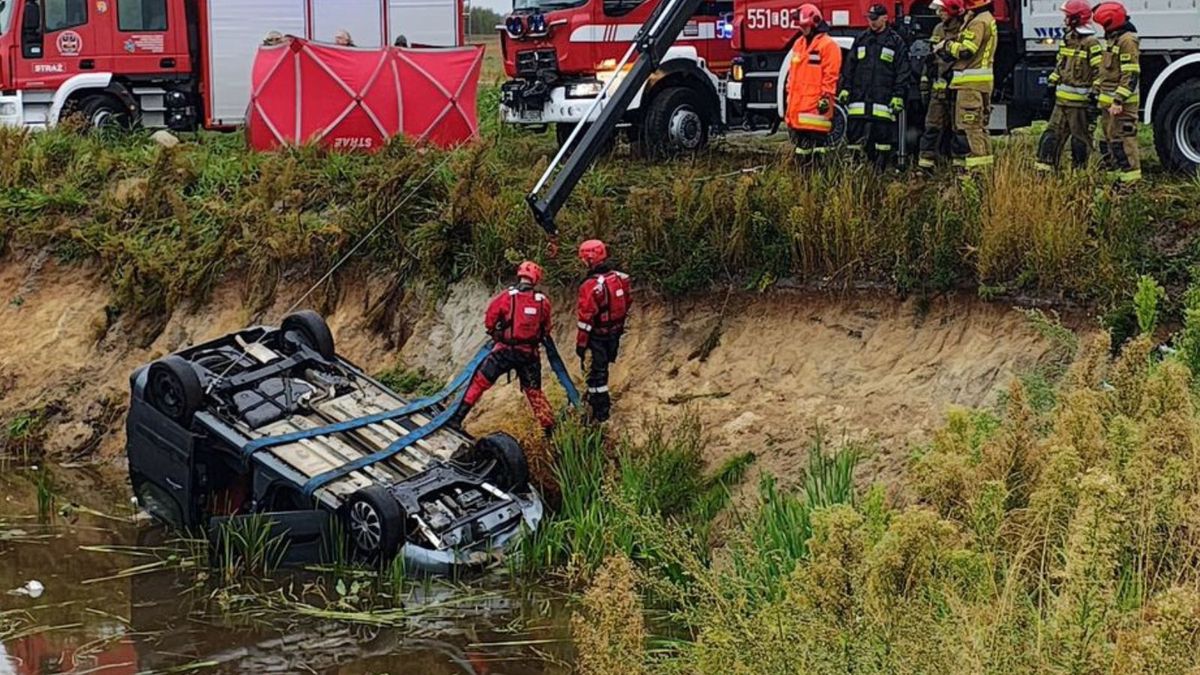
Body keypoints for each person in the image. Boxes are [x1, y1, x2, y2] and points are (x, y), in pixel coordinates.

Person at [449, 261, 556, 434]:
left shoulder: (507, 296)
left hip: (504, 352)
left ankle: (456, 419)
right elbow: (546, 328)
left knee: (479, 382)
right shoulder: (543, 302)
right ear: (536, 278)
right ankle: (550, 431)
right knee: (534, 392)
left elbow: (490, 318)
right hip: (529, 355)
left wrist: (495, 333)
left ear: (519, 275)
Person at [838, 4, 911, 170]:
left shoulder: (895, 42)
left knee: (883, 140)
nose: (872, 22)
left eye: (875, 19)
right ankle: (856, 170)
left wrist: (898, 95)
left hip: (883, 100)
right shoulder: (861, 39)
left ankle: (881, 172)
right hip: (859, 100)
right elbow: (849, 67)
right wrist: (845, 88)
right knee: (854, 137)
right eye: (869, 19)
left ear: (885, 18)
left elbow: (902, 71)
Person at [1035, 0, 1102, 172]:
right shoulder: (1068, 38)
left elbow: (1099, 72)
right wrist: (1050, 87)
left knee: (1079, 141)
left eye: (1067, 16)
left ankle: (1079, 176)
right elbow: (1061, 66)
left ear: (1076, 18)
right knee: (1051, 137)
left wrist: (1095, 96)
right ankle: (1045, 173)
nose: (1064, 19)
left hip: (1079, 105)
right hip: (1061, 102)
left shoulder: (1091, 43)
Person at [575, 240, 631, 423]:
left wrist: (581, 345)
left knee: (596, 376)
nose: (582, 262)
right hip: (615, 333)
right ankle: (599, 405)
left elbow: (586, 318)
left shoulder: (590, 286)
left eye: (584, 259)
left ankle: (600, 412)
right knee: (603, 369)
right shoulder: (620, 278)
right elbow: (627, 303)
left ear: (590, 259)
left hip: (597, 335)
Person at [936, 0, 997, 170]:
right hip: (978, 84)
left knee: (970, 129)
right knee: (979, 128)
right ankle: (984, 170)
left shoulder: (978, 22)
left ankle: (977, 173)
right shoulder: (986, 18)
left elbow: (966, 51)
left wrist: (946, 45)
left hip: (970, 85)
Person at [784, 4, 843, 161]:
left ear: (815, 23)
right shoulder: (799, 44)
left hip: (816, 110)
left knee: (818, 153)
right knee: (801, 153)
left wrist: (825, 97)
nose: (802, 29)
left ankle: (820, 181)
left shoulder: (828, 46)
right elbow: (793, 75)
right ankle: (804, 183)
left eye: (805, 26)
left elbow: (831, 76)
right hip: (799, 110)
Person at [1093, 1, 1141, 183]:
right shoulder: (1113, 39)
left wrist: (1119, 100)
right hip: (1109, 105)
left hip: (1122, 106)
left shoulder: (1127, 41)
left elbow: (1130, 74)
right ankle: (1116, 181)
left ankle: (1130, 184)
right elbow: (1107, 71)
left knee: (1124, 144)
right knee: (1109, 143)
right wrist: (1096, 89)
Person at [918, 0, 965, 171]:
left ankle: (958, 167)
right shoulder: (938, 29)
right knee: (931, 127)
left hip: (956, 89)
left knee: (958, 130)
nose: (939, 13)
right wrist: (925, 81)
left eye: (942, 10)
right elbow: (930, 59)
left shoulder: (964, 30)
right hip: (938, 90)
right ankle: (925, 166)